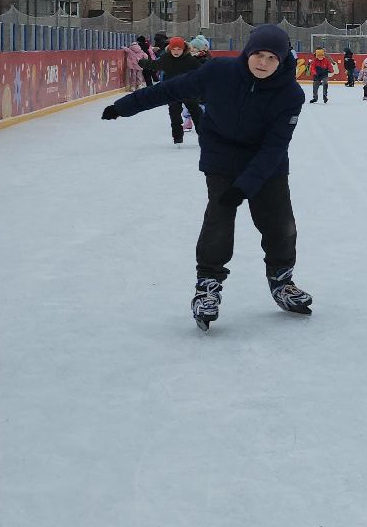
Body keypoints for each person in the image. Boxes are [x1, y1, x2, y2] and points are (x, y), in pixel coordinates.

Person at [100, 25, 312, 331]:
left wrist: (245, 186)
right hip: (221, 155)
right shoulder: (219, 72)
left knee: (280, 222)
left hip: (265, 162)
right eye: (258, 54)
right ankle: (208, 285)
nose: (263, 62)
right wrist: (123, 107)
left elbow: (275, 147)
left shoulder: (290, 95)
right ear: (247, 52)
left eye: (271, 58)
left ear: (282, 60)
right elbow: (169, 89)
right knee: (219, 217)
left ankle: (281, 280)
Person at [151, 37, 204, 145]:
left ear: (183, 49)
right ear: (169, 49)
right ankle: (177, 137)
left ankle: (203, 136)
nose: (176, 51)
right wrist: (141, 62)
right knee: (174, 114)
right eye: (173, 49)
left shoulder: (190, 60)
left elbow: (202, 71)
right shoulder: (166, 58)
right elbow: (155, 65)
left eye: (178, 49)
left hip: (188, 91)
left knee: (196, 113)